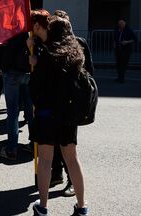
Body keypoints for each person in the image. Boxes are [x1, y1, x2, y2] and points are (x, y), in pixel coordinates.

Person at [29, 16, 89, 216]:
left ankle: (43, 206)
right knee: (72, 159)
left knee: (45, 160)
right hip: (69, 115)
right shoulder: (77, 54)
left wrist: (35, 65)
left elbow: (35, 87)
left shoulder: (47, 54)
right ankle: (82, 206)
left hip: (47, 114)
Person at [51, 10, 94, 197]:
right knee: (53, 142)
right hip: (56, 102)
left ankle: (71, 181)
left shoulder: (80, 43)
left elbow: (89, 71)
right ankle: (56, 174)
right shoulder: (51, 44)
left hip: (71, 103)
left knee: (68, 145)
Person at [0, 24, 36, 160]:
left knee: (13, 112)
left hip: (12, 73)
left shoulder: (13, 31)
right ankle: (34, 144)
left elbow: (8, 53)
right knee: (30, 110)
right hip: (27, 72)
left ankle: (11, 149)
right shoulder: (30, 32)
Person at [113, 19, 136, 83]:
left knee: (123, 64)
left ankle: (122, 78)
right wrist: (114, 44)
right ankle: (119, 77)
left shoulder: (129, 30)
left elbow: (134, 39)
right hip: (118, 49)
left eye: (122, 23)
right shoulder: (117, 30)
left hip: (126, 49)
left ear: (125, 23)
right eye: (119, 23)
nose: (120, 24)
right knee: (118, 63)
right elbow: (115, 38)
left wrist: (127, 42)